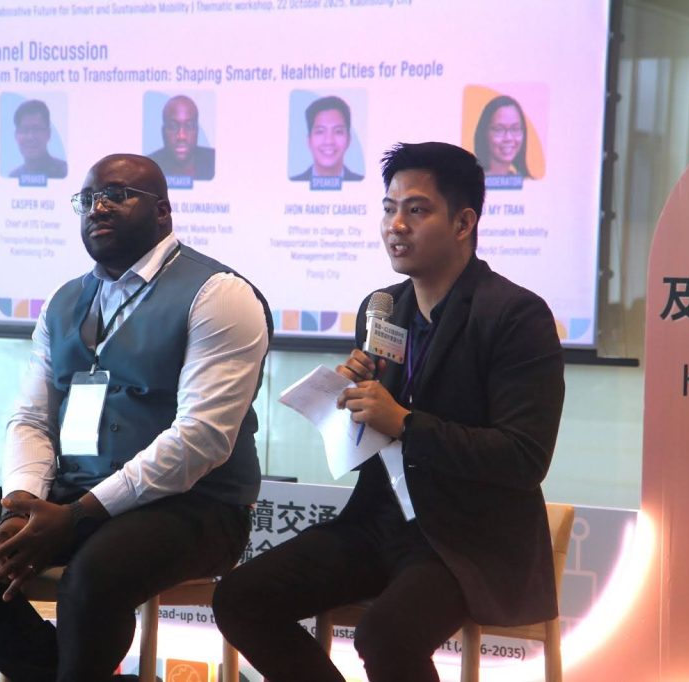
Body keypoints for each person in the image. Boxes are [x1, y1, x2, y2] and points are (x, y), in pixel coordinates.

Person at [0, 153, 271, 681]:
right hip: (73, 490)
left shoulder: (220, 295)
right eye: (87, 199)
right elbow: (31, 416)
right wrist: (21, 502)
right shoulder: (64, 299)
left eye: (118, 195)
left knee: (93, 575)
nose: (98, 207)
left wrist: (78, 516)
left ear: (163, 212)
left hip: (197, 505)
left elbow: (200, 441)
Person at [213, 142, 565, 682]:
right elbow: (376, 442)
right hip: (381, 523)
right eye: (388, 208)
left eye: (417, 210)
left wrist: (402, 420)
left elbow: (523, 457)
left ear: (464, 221)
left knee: (386, 633)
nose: (395, 225)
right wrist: (349, 405)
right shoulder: (383, 309)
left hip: (468, 541)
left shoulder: (515, 316)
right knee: (241, 597)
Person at [290, 95, 364, 184]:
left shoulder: (362, 183)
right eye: (320, 131)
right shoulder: (292, 183)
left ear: (348, 140)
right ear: (309, 140)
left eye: (338, 131)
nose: (329, 141)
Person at [148, 95, 216, 181]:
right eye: (173, 126)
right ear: (163, 132)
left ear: (197, 131)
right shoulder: (149, 166)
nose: (181, 136)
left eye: (189, 126)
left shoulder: (214, 160)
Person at [9, 99, 68, 180]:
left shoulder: (64, 172)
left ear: (48, 134)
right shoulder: (13, 177)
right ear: (16, 135)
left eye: (36, 129)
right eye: (24, 130)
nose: (30, 137)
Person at [473, 95, 531, 177]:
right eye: (499, 129)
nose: (508, 138)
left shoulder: (526, 182)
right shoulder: (471, 181)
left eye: (515, 129)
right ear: (484, 133)